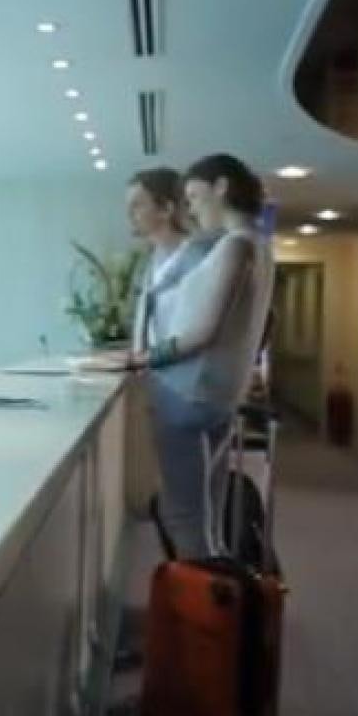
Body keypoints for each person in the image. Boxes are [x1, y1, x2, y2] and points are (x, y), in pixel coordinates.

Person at [131, 154, 276, 559]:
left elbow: (200, 334)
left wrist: (142, 359)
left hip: (186, 395)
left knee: (185, 516)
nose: (190, 207)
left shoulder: (234, 247)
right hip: (219, 397)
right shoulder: (260, 246)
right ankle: (217, 602)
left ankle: (203, 616)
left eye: (194, 195)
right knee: (208, 515)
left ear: (222, 188)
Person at [126, 168, 211, 358]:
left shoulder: (200, 260)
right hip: (155, 375)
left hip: (187, 377)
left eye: (137, 205)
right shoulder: (149, 264)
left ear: (166, 209)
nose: (129, 214)